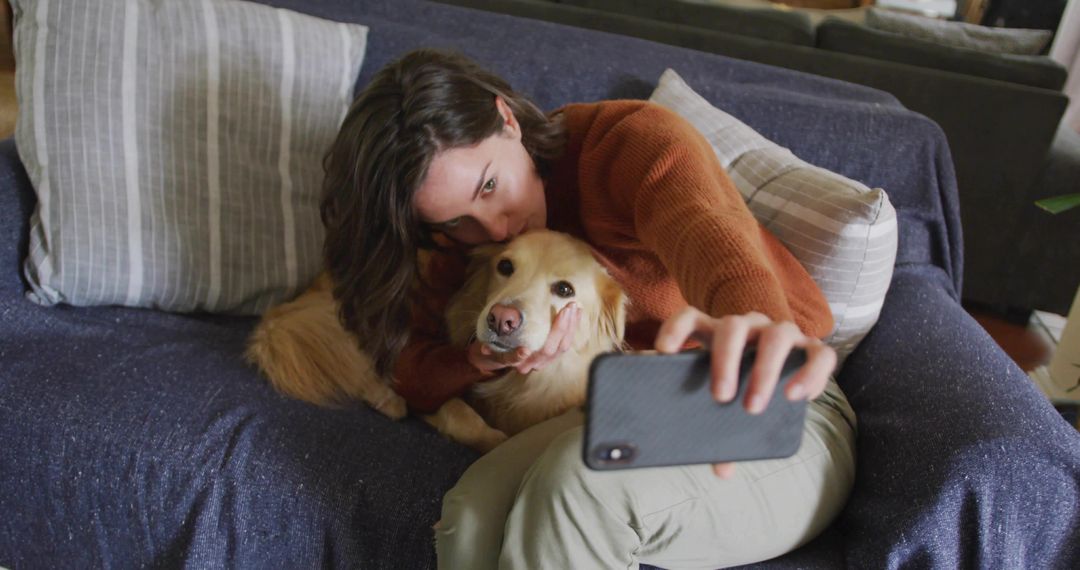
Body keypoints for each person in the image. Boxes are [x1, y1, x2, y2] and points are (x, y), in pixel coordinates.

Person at [320, 48, 857, 569]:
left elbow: (708, 237)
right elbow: (411, 367)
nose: (495, 229)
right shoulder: (468, 247)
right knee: (473, 512)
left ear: (506, 119)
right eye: (455, 220)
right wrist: (478, 360)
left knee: (578, 493)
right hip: (620, 408)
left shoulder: (631, 145)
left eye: (489, 186)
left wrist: (757, 325)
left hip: (779, 399)